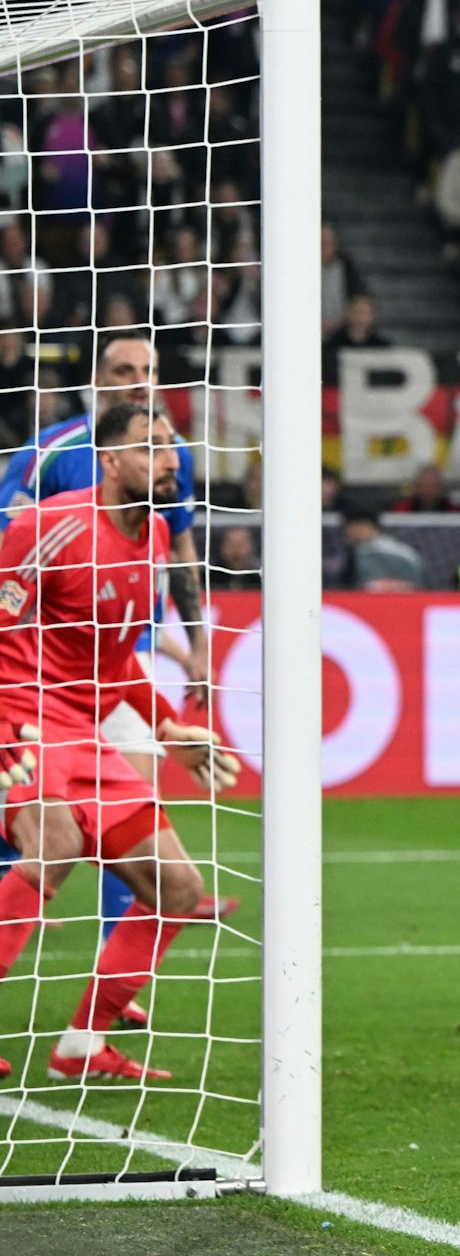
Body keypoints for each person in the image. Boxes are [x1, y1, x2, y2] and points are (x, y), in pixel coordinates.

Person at [0, 405, 240, 1083]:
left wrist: (166, 728)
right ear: (108, 461)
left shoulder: (156, 534)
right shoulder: (50, 525)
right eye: (150, 448)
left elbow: (114, 659)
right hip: (23, 717)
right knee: (54, 843)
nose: (170, 460)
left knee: (179, 888)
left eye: (171, 447)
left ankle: (82, 1045)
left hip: (86, 732)